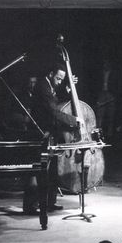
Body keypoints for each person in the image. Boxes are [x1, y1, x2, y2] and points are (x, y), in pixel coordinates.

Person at [22, 65, 79, 226]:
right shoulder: (42, 86)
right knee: (38, 170)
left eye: (62, 79)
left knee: (52, 169)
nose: (60, 81)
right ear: (51, 74)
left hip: (50, 132)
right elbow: (53, 110)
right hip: (40, 133)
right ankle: (31, 205)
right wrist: (75, 121)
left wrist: (68, 88)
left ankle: (50, 202)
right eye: (58, 78)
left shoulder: (50, 85)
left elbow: (57, 98)